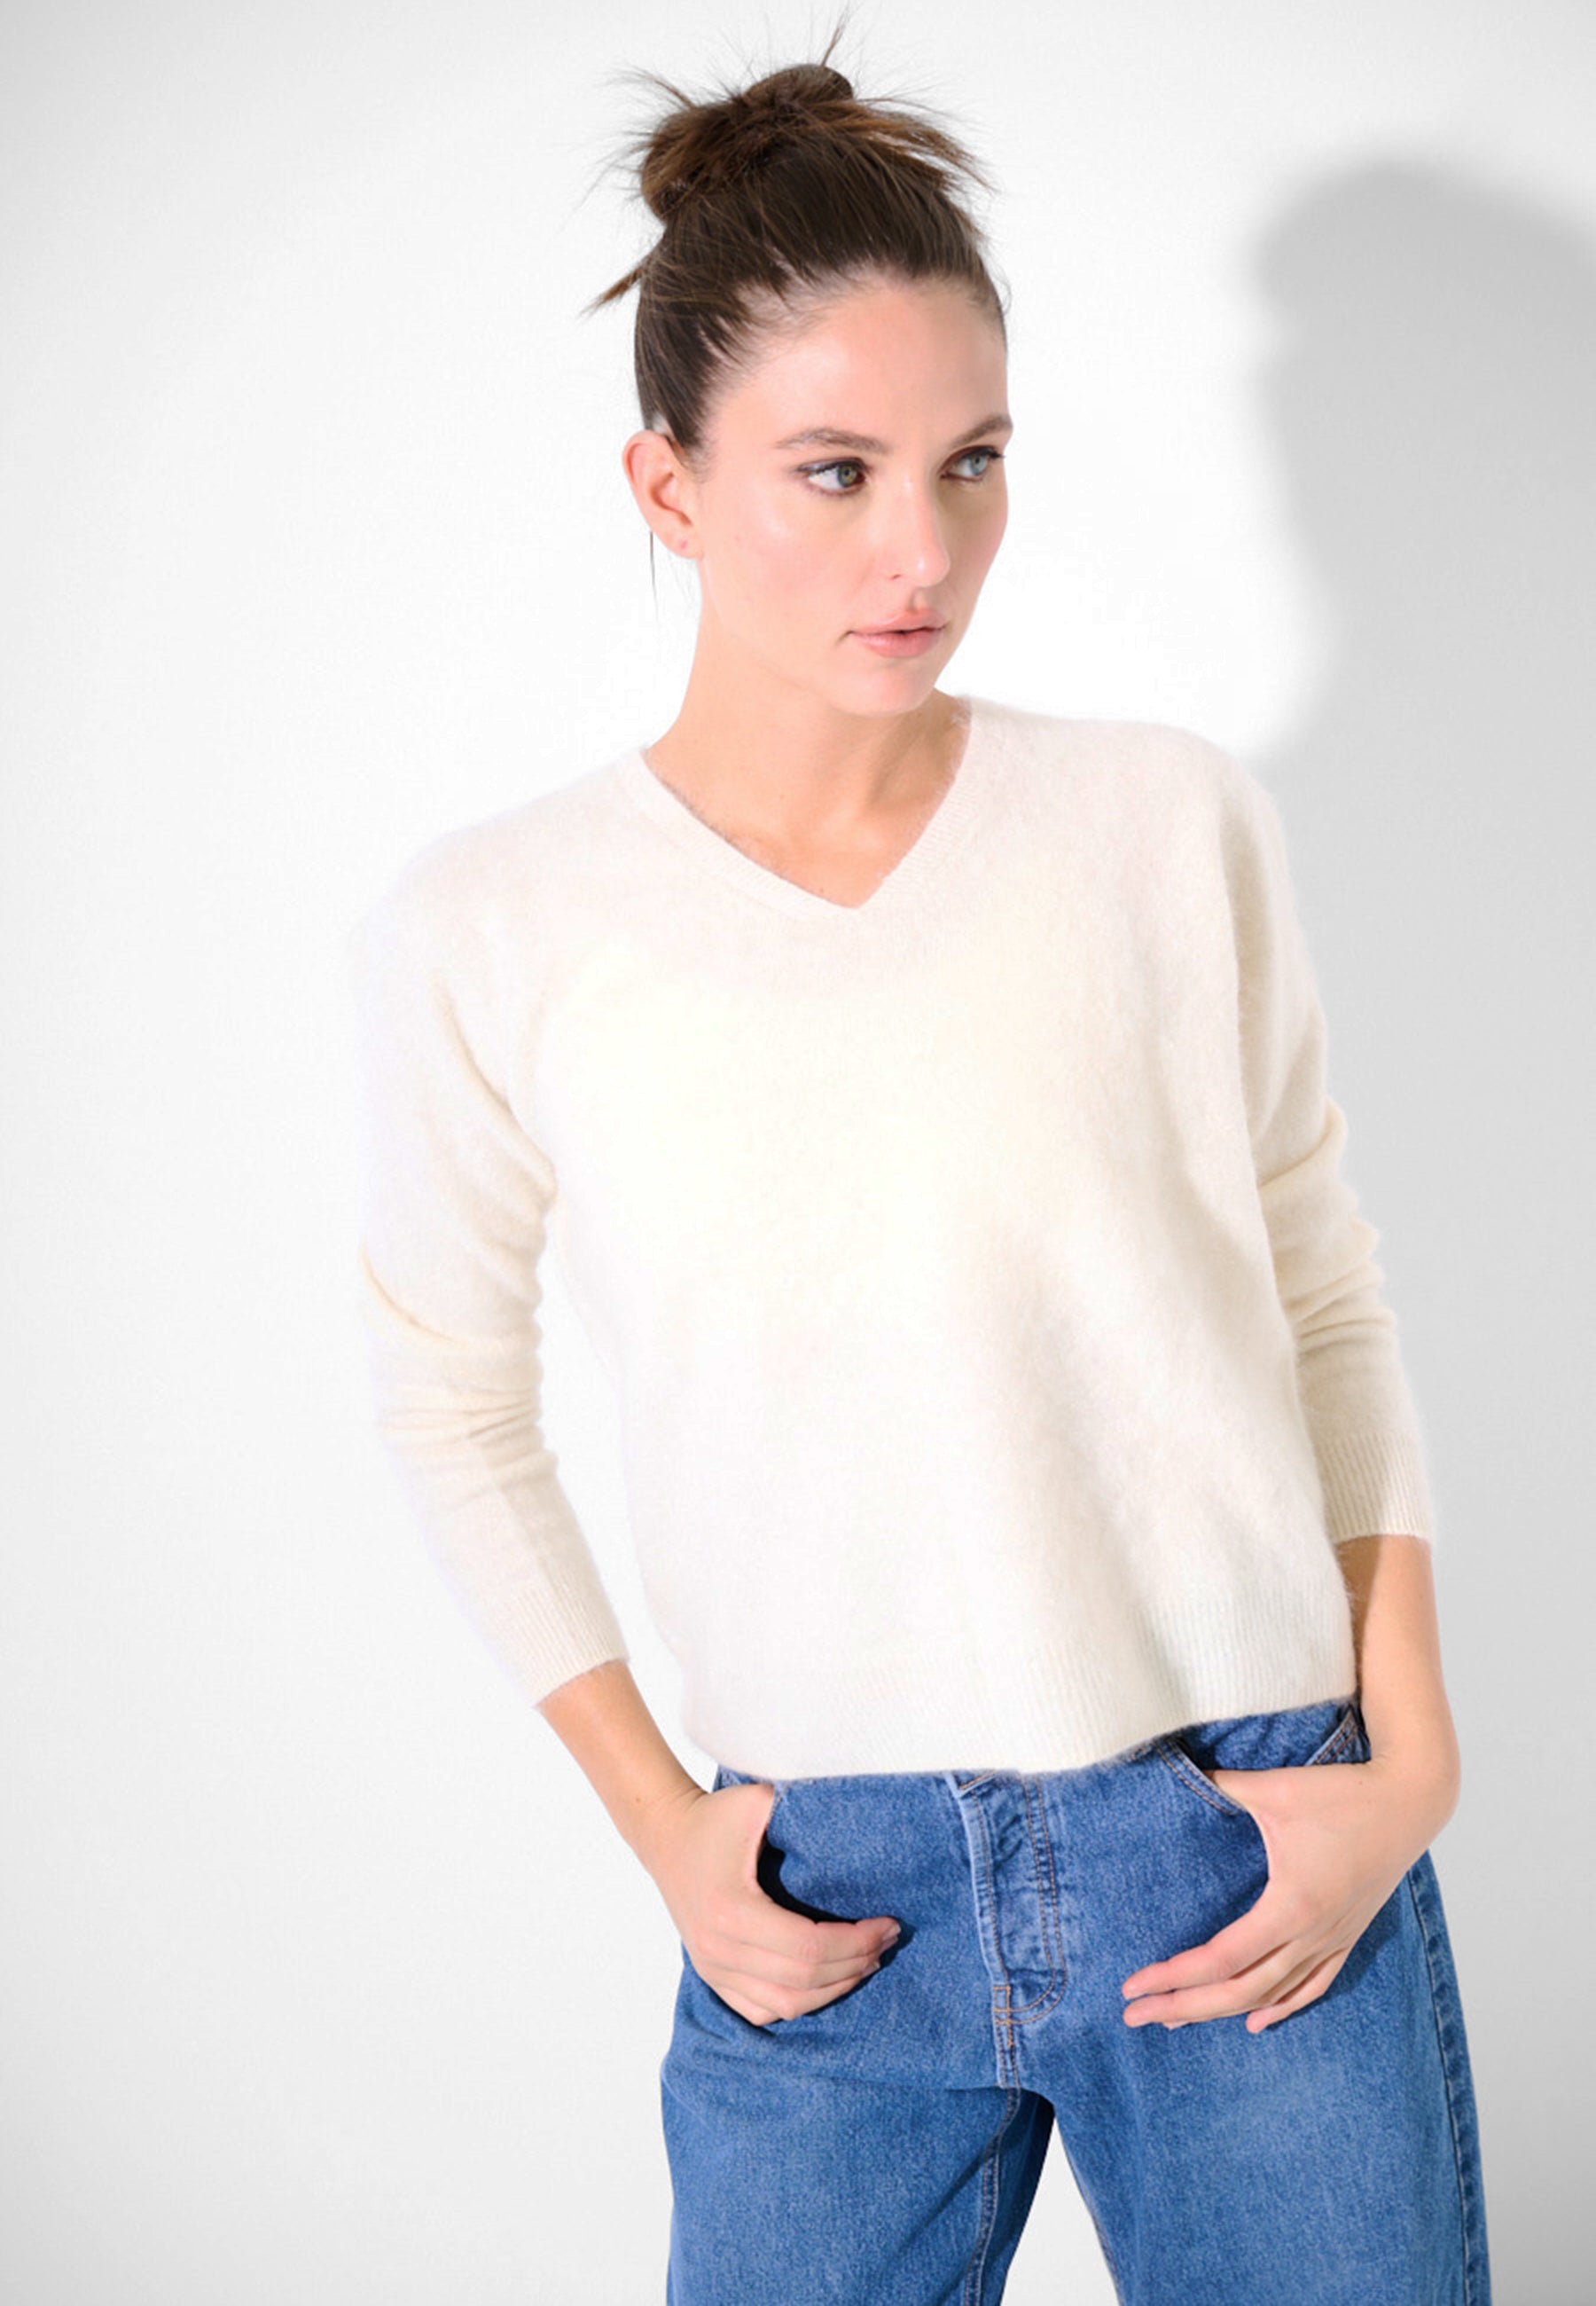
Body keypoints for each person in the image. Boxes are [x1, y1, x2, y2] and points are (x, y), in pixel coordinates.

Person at [348, 29, 1491, 2305]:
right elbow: (447, 1399)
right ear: (668, 486)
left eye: (972, 463)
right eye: (836, 471)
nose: (923, 550)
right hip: (822, 1904)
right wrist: (665, 1831)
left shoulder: (1161, 823)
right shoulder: (500, 923)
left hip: (1244, 1841)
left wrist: (1413, 1764)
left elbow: (1324, 1290)